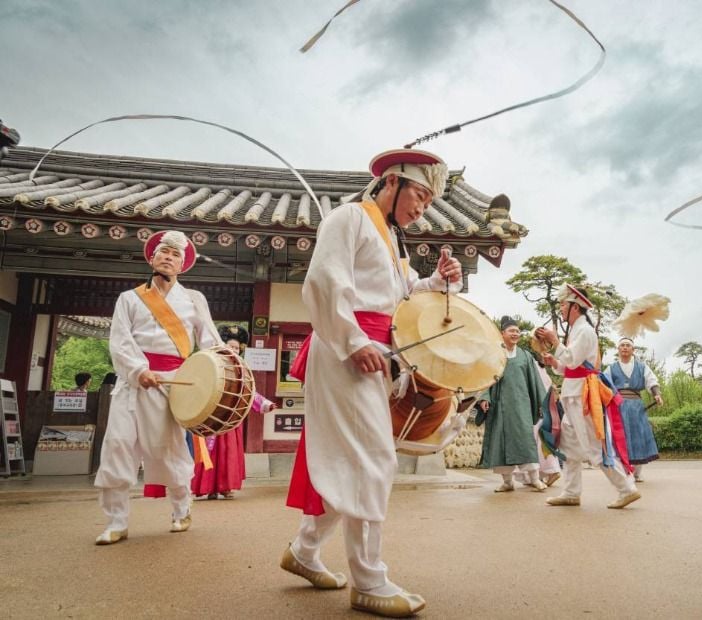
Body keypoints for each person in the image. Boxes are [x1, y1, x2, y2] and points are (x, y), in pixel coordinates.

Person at [281, 148, 462, 617]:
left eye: (427, 199)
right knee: (371, 458)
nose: (422, 206)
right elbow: (324, 280)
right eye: (419, 193)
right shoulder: (348, 218)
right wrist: (352, 339)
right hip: (347, 348)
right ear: (391, 182)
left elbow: (397, 297)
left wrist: (436, 282)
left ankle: (303, 551)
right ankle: (368, 580)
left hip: (376, 352)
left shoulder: (394, 244)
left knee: (354, 457)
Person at [93, 230, 223, 545]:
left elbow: (210, 342)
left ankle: (181, 510)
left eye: (175, 254)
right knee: (118, 446)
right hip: (131, 383)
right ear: (152, 258)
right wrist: (138, 370)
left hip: (172, 384)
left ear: (183, 265)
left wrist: (224, 369)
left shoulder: (194, 299)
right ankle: (116, 521)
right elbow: (120, 342)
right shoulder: (129, 298)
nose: (168, 257)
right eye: (163, 252)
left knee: (170, 449)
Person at [535, 283, 640, 509]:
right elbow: (569, 366)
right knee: (569, 445)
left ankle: (626, 488)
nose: (561, 308)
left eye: (564, 304)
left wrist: (555, 342)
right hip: (573, 391)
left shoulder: (584, 331)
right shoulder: (577, 330)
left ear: (576, 307)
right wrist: (555, 362)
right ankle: (571, 492)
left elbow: (572, 360)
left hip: (582, 395)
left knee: (593, 444)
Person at [190, 325, 274, 500]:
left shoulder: (241, 369)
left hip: (231, 418)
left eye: (236, 348)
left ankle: (225, 487)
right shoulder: (211, 363)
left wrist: (264, 403)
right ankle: (208, 488)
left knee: (229, 455)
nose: (234, 350)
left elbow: (248, 392)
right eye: (230, 346)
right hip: (211, 417)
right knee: (210, 453)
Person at [475, 316, 548, 492]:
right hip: (499, 405)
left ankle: (535, 479)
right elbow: (485, 377)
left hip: (521, 405)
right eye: (511, 331)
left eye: (517, 331)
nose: (515, 334)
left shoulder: (526, 356)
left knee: (525, 440)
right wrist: (485, 397)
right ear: (502, 334)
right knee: (500, 442)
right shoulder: (494, 355)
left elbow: (535, 382)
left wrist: (541, 403)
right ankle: (507, 482)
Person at [602, 337, 663, 481]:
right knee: (621, 437)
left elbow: (652, 381)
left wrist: (657, 395)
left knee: (638, 436)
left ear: (633, 350)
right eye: (622, 345)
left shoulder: (642, 367)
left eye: (627, 345)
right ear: (618, 350)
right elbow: (603, 384)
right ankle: (624, 470)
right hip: (618, 405)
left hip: (637, 406)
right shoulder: (611, 368)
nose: (624, 347)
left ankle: (637, 472)